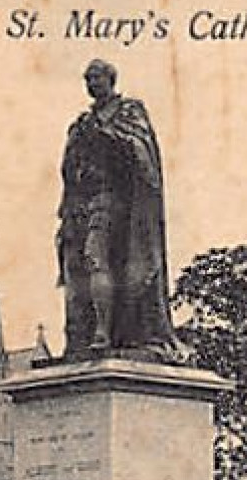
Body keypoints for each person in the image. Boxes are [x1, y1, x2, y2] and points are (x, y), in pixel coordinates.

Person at [57, 60, 184, 362]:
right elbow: (68, 166)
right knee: (77, 268)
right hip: (81, 206)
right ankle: (83, 333)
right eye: (87, 79)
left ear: (110, 79)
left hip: (114, 203)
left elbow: (140, 154)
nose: (91, 83)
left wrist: (105, 136)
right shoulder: (82, 122)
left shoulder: (129, 112)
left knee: (95, 258)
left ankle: (103, 332)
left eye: (96, 77)